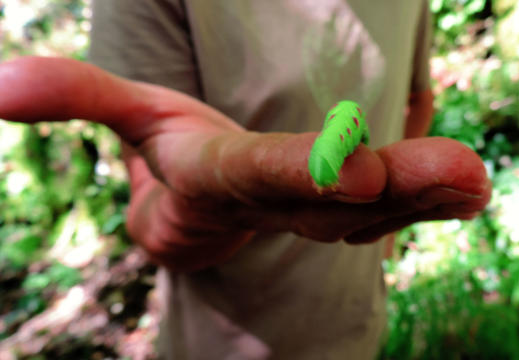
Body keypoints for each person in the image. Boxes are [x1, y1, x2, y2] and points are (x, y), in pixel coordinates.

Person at [0, 1, 491, 359]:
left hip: (357, 327)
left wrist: (389, 229)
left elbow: (418, 96)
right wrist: (200, 205)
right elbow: (149, 220)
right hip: (221, 342)